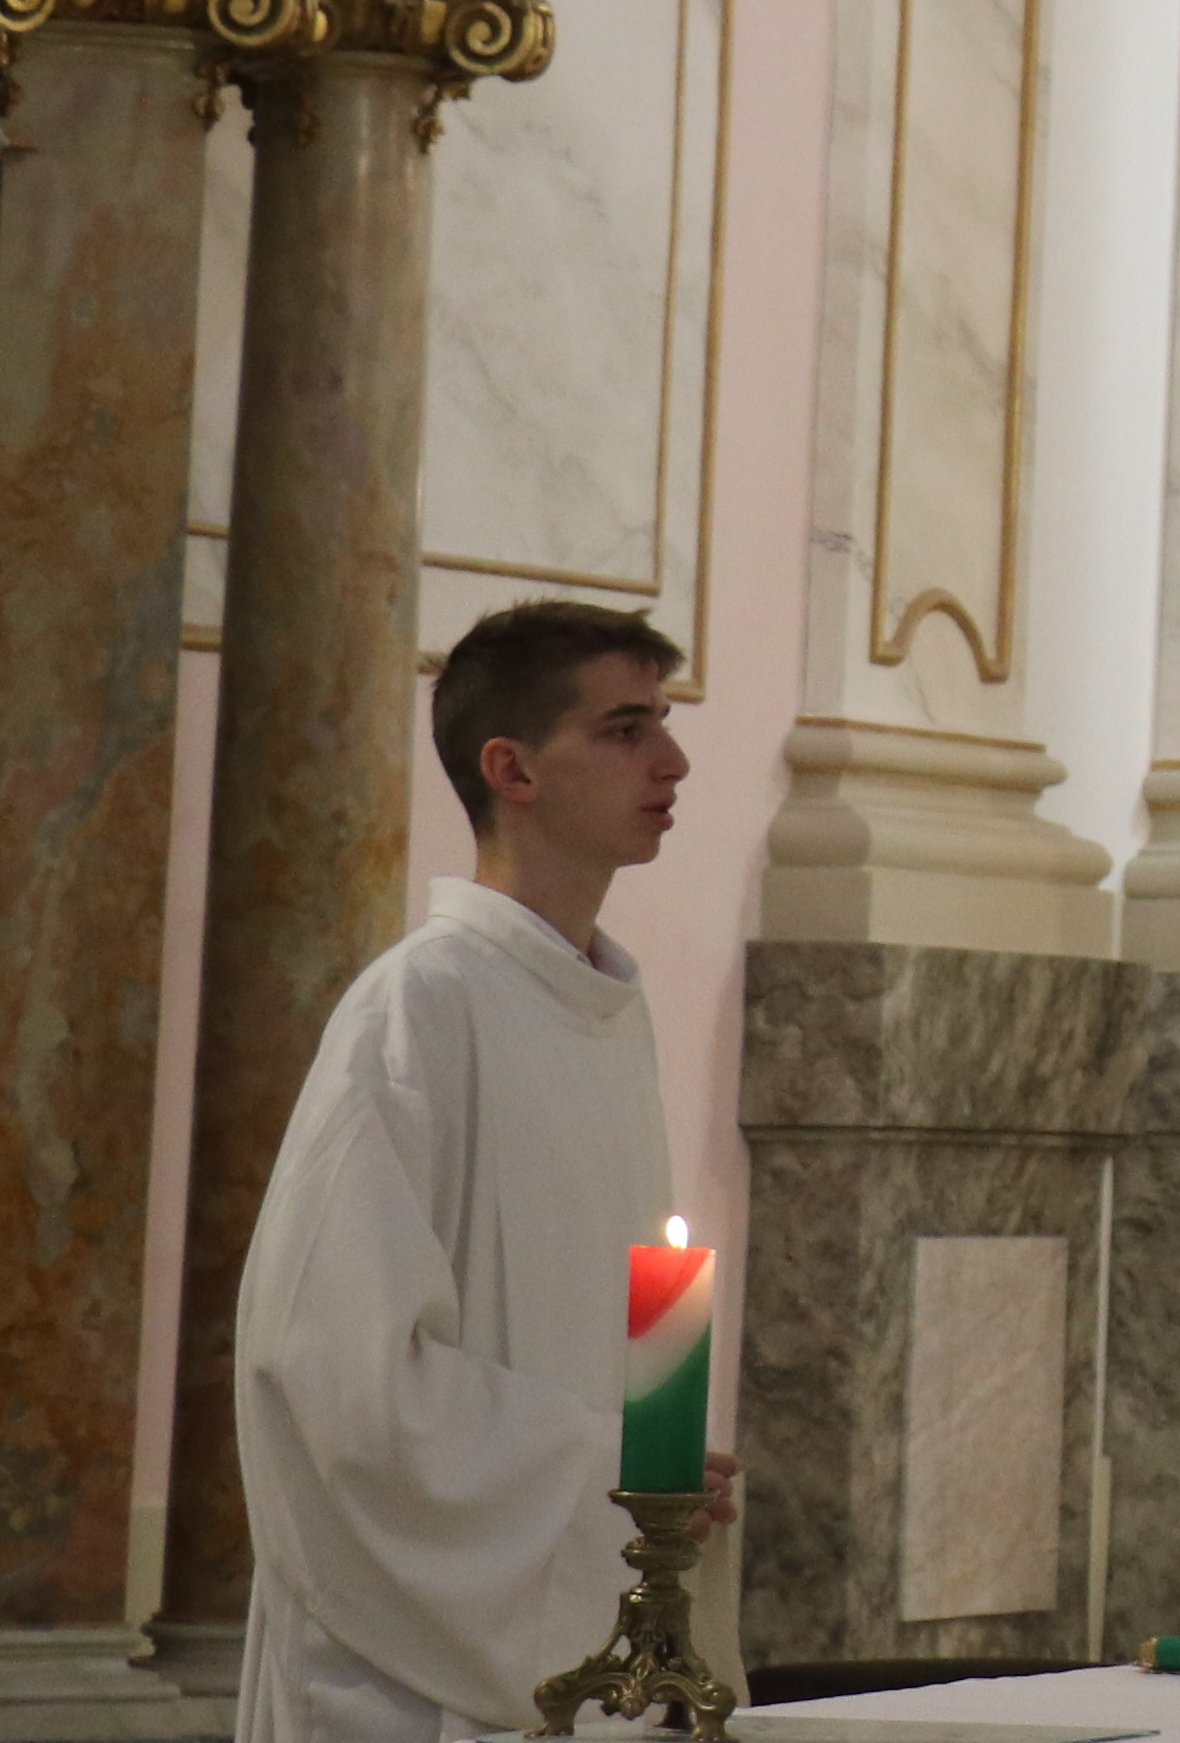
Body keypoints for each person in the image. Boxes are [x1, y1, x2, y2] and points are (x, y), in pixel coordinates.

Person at [231, 601, 728, 1741]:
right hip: (406, 1677)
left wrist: (660, 1481)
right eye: (624, 728)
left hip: (568, 1620)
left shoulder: (603, 1010)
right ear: (512, 767)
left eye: (663, 722)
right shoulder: (420, 1004)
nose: (673, 759)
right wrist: (609, 1470)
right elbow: (331, 1373)